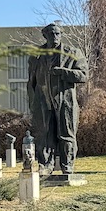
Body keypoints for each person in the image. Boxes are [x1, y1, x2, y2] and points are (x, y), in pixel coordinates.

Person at [26, 22, 88, 174]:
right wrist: (32, 102)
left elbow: (83, 76)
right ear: (45, 35)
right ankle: (45, 166)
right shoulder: (36, 56)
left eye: (57, 33)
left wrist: (64, 72)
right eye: (51, 34)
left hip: (65, 102)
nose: (55, 36)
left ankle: (67, 166)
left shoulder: (72, 52)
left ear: (61, 35)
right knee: (44, 134)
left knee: (67, 134)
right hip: (43, 102)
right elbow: (31, 82)